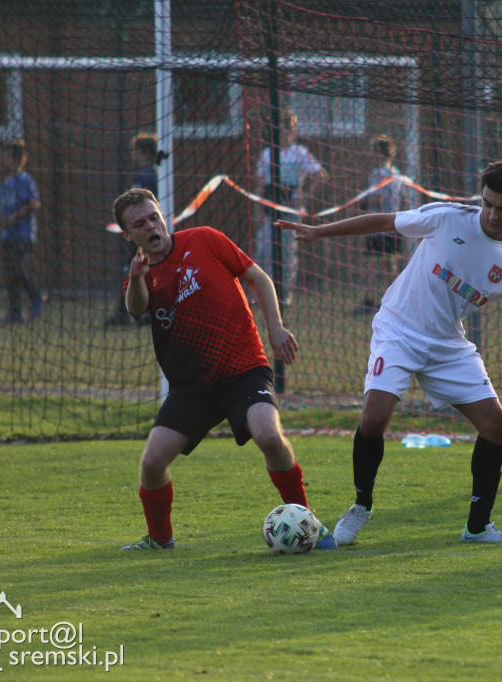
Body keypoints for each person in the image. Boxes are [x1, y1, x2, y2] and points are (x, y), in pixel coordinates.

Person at [278, 159, 502, 545]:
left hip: (448, 345)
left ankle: (478, 527)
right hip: (398, 329)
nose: (492, 214)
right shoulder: (447, 218)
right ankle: (361, 505)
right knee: (373, 418)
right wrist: (319, 232)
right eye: (487, 203)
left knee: (497, 425)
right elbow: (385, 222)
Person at [112, 187, 335, 551]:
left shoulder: (204, 239)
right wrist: (137, 277)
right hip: (191, 386)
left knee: (269, 436)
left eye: (154, 217)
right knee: (152, 463)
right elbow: (136, 309)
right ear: (127, 235)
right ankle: (159, 541)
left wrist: (276, 327)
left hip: (242, 367)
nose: (150, 226)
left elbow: (259, 277)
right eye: (139, 224)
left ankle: (307, 524)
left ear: (163, 216)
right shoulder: (139, 275)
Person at [251, 109, 327, 305]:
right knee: (263, 251)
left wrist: (303, 198)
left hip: (290, 212)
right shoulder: (268, 153)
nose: (287, 132)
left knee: (287, 253)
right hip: (269, 212)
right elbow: (259, 184)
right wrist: (258, 211)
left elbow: (320, 175)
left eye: (290, 128)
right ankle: (261, 295)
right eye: (283, 128)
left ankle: (284, 296)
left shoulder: (300, 152)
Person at [107, 132, 158, 326]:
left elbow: (135, 206)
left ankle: (124, 314)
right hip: (154, 233)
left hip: (139, 234)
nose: (133, 156)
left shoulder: (143, 175)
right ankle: (147, 313)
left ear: (143, 152)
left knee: (131, 270)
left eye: (135, 152)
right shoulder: (157, 173)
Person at [354, 135, 406, 315]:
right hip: (393, 225)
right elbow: (402, 199)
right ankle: (398, 301)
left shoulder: (378, 173)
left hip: (378, 227)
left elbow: (379, 197)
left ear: (378, 152)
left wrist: (364, 201)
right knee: (389, 266)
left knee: (372, 267)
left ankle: (369, 301)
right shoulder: (397, 174)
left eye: (373, 151)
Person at [0, 140, 46, 323]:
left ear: (15, 159)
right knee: (9, 272)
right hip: (7, 234)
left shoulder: (25, 179)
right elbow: (3, 208)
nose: (3, 159)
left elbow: (34, 203)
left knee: (16, 269)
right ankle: (14, 312)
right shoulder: (5, 183)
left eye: (6, 156)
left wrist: (14, 217)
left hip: (23, 234)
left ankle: (36, 298)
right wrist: (1, 219)